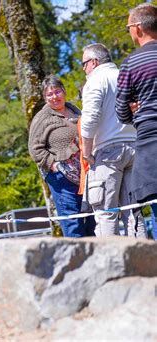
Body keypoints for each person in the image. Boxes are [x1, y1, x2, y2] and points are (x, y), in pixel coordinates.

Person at [80, 43, 146, 238]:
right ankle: (143, 262)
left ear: (93, 62)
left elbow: (90, 118)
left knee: (105, 213)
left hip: (108, 152)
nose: (83, 69)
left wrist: (86, 151)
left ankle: (111, 265)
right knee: (134, 211)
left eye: (84, 64)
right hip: (134, 148)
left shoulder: (95, 80)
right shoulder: (125, 76)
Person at [28, 75, 86, 237]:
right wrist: (53, 165)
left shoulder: (75, 110)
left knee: (91, 221)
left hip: (84, 175)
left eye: (57, 92)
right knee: (73, 224)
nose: (54, 97)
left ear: (64, 91)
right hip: (61, 179)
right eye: (49, 94)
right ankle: (77, 261)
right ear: (45, 98)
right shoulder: (42, 118)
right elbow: (34, 148)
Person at [116, 3, 157, 222]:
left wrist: (134, 111)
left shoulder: (131, 63)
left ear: (138, 28)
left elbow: (121, 112)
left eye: (129, 27)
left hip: (150, 143)